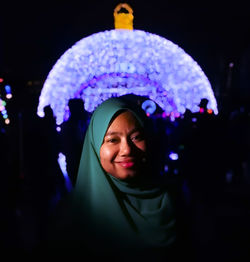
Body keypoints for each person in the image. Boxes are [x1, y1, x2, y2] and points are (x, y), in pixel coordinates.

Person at [45, 95, 189, 261]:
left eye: (137, 137)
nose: (127, 150)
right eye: (112, 140)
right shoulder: (71, 217)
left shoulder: (172, 201)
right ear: (94, 146)